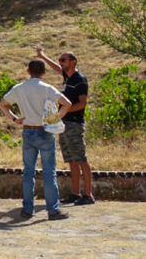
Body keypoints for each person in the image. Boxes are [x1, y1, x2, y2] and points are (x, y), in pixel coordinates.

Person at [0, 59, 73, 220]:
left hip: (28, 131)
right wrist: (55, 118)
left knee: (28, 173)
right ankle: (53, 210)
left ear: (28, 71)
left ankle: (27, 209)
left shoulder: (19, 88)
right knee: (49, 173)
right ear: (44, 73)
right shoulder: (47, 88)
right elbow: (67, 103)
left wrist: (15, 119)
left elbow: (2, 104)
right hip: (45, 131)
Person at [36, 46, 94, 204]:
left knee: (81, 158)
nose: (60, 63)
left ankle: (88, 194)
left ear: (73, 62)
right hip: (64, 123)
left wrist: (63, 112)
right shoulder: (67, 77)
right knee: (71, 159)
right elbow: (55, 68)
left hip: (74, 124)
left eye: (63, 60)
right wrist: (42, 56)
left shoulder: (79, 80)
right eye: (60, 60)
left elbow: (82, 104)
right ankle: (75, 193)